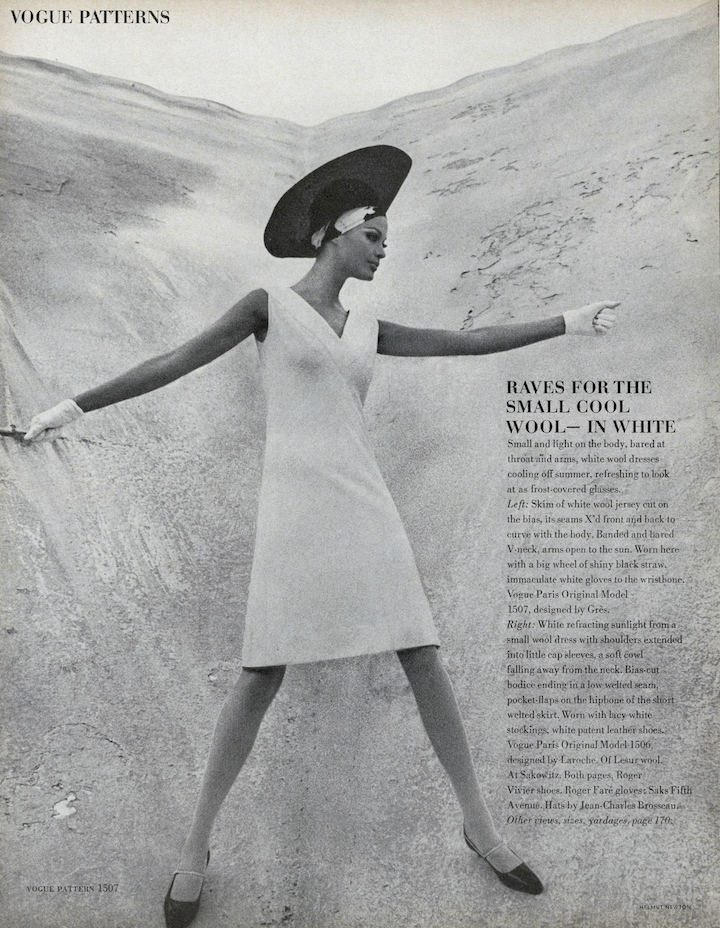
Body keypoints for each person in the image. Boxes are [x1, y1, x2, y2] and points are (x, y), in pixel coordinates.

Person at [24, 146, 618, 927]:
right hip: (294, 511)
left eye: (386, 239)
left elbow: (466, 343)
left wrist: (568, 322)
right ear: (336, 234)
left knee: (421, 656)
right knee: (261, 673)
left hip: (365, 505)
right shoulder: (267, 305)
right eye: (375, 236)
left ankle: (479, 825)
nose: (384, 249)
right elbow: (172, 362)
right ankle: (195, 848)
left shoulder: (370, 324)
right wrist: (70, 408)